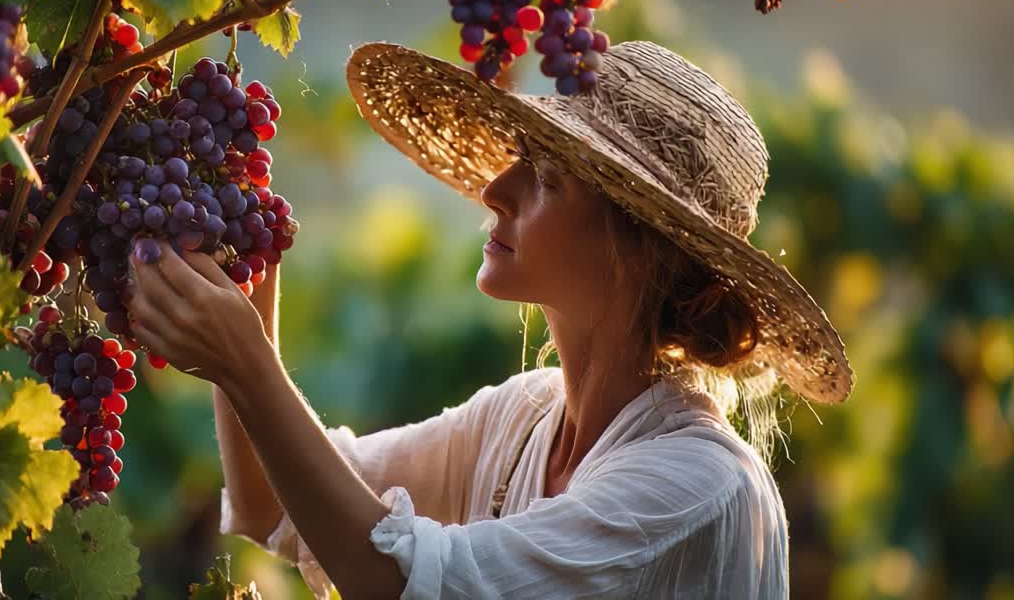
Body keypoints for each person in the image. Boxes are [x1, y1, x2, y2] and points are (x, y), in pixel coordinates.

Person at [124, 40, 853, 599]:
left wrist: (247, 365)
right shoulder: (525, 419)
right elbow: (273, 504)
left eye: (547, 178)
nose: (497, 189)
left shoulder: (696, 487)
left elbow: (397, 582)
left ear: (632, 248)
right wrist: (249, 281)